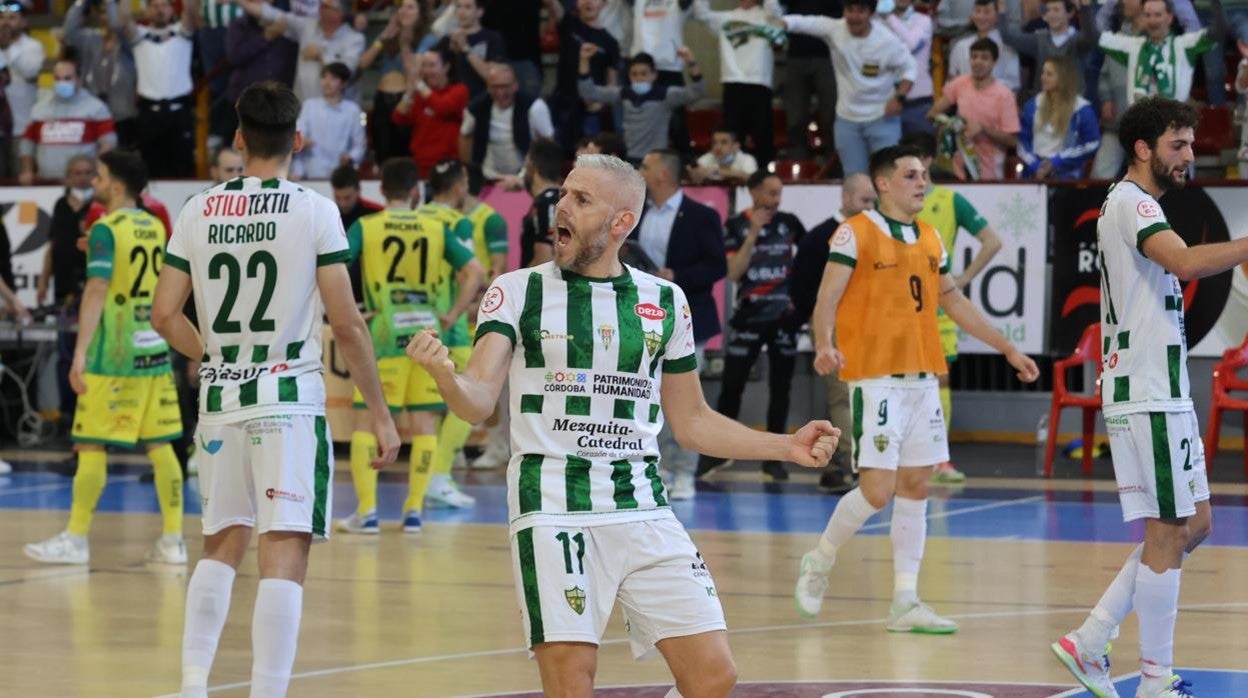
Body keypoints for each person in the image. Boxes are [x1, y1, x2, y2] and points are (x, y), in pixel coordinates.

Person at [406, 152, 839, 697]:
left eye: (580, 199)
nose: (561, 207)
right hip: (552, 507)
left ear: (621, 224)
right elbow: (477, 402)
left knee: (713, 675)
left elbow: (694, 422)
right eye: (564, 193)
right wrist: (447, 376)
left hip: (642, 506)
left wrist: (786, 445)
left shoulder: (664, 301)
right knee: (572, 686)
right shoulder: (517, 291)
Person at [152, 81, 400, 698]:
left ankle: (191, 684)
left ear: (238, 138)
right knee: (283, 550)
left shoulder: (197, 209)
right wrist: (379, 413)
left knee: (220, 542)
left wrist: (212, 353)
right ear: (297, 140)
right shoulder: (315, 210)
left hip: (221, 399)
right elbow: (346, 322)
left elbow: (163, 316)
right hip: (287, 398)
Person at [795, 144, 1038, 631]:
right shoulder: (854, 232)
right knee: (877, 490)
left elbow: (954, 302)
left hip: (923, 378)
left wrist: (1006, 348)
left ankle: (905, 601)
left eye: (925, 174)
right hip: (876, 378)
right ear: (883, 183)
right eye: (911, 175)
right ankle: (819, 559)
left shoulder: (930, 237)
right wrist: (824, 342)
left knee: (916, 486)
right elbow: (827, 298)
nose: (922, 182)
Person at [1051, 96, 1224, 698]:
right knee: (1167, 531)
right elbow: (1184, 262)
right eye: (1179, 145)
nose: (1190, 156)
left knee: (1194, 523)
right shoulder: (1131, 202)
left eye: (1192, 144)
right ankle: (1154, 680)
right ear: (1144, 149)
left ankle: (1091, 637)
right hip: (1145, 392)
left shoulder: (1138, 203)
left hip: (1162, 389)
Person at [23, 150, 185, 567]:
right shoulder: (153, 225)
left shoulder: (104, 227)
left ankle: (76, 538)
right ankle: (173, 541)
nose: (93, 181)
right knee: (161, 444)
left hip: (113, 355)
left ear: (116, 185)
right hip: (154, 351)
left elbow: (97, 289)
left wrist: (79, 354)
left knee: (90, 442)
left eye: (100, 176)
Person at [337, 158, 484, 534]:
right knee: (424, 426)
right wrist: (452, 313)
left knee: (366, 425)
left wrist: (349, 309)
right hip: (427, 337)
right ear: (415, 191)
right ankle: (414, 512)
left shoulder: (366, 226)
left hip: (384, 335)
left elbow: (334, 266)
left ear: (382, 190)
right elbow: (475, 272)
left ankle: (367, 512)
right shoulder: (435, 228)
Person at [902, 131, 1003, 483]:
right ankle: (905, 457)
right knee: (901, 380)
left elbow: (993, 241)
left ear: (928, 161)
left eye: (914, 159)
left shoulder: (949, 200)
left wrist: (961, 280)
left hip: (938, 307)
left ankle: (938, 459)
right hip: (899, 308)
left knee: (939, 381)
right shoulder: (891, 203)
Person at [633, 148, 727, 493]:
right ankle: (658, 469)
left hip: (689, 319)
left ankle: (685, 469)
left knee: (685, 401)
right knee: (648, 397)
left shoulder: (701, 215)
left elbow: (717, 266)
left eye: (645, 165)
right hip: (642, 319)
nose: (639, 170)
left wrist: (678, 275)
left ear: (663, 175)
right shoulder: (636, 213)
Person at [711, 171, 806, 485]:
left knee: (781, 390)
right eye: (769, 193)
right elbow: (734, 273)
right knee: (732, 387)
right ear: (753, 193)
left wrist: (800, 305)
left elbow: (807, 265)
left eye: (779, 193)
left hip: (783, 321)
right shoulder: (735, 226)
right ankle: (717, 453)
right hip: (749, 318)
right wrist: (752, 234)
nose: (775, 200)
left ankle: (775, 460)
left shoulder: (790, 223)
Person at [789, 172, 875, 494]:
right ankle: (853, 465)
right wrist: (822, 327)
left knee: (863, 394)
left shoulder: (872, 234)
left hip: (868, 324)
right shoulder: (821, 237)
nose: (869, 207)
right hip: (835, 324)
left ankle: (856, 463)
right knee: (843, 394)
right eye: (864, 200)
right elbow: (803, 289)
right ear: (845, 197)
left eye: (872, 201)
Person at [779, 0, 917, 176]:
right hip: (847, 120)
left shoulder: (887, 41)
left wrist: (900, 98)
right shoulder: (835, 29)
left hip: (882, 119)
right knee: (853, 180)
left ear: (871, 13)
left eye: (860, 11)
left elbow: (910, 68)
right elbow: (804, 22)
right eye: (849, 10)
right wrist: (781, 23)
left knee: (888, 178)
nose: (854, 17)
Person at [692, 0, 785, 167]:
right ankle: (732, 177)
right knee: (733, 135)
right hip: (733, 82)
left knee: (763, 136)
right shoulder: (726, 17)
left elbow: (776, 15)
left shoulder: (769, 16)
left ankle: (763, 176)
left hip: (760, 83)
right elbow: (701, 13)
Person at [578, 47, 705, 163]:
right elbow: (589, 92)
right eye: (634, 74)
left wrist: (691, 61)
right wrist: (584, 59)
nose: (639, 78)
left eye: (644, 74)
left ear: (654, 75)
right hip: (629, 160)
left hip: (656, 160)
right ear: (629, 76)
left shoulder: (666, 95)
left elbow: (697, 91)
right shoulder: (624, 94)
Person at [121, 0, 199, 178]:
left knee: (184, 168)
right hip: (149, 113)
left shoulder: (182, 32)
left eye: (164, 5)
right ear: (146, 10)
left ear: (172, 9)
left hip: (180, 111)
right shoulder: (139, 35)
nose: (159, 10)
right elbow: (124, 19)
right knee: (150, 169)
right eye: (155, 6)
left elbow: (192, 11)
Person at [925, 38, 1020, 180]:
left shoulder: (1004, 95)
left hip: (989, 170)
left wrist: (983, 129)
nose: (978, 62)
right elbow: (932, 114)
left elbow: (1012, 140)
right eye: (974, 57)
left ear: (994, 63)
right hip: (957, 165)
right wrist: (952, 124)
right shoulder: (960, 83)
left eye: (984, 58)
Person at [236, 0, 366, 102]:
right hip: (303, 107)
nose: (320, 9)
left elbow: (347, 71)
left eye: (326, 6)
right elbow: (272, 14)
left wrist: (321, 55)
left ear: (340, 13)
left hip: (336, 111)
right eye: (321, 5)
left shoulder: (354, 39)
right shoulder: (307, 26)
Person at [18, 50, 115, 185]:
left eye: (67, 78)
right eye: (57, 79)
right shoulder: (39, 109)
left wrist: (97, 170)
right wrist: (27, 170)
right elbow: (27, 143)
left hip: (83, 184)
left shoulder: (96, 108)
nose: (62, 82)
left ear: (78, 79)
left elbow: (108, 143)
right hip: (45, 182)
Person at [360, 0, 435, 163]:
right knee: (382, 154)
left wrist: (405, 44)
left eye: (410, 7)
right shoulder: (390, 35)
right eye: (401, 7)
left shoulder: (428, 39)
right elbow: (363, 64)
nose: (404, 11)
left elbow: (413, 73)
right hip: (382, 100)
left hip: (407, 101)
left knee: (404, 155)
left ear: (420, 14)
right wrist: (383, 36)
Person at [544, 0, 621, 154]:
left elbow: (612, 85)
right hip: (563, 105)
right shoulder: (568, 23)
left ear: (604, 3)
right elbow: (552, 3)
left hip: (590, 110)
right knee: (558, 154)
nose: (589, 2)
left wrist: (601, 104)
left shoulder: (611, 43)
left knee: (589, 159)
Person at [459, 62, 554, 183]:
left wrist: (539, 176)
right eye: (495, 87)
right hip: (489, 177)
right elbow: (465, 135)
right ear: (487, 87)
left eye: (505, 86)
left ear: (515, 85)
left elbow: (548, 142)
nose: (500, 93)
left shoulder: (535, 107)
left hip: (526, 177)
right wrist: (470, 172)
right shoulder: (475, 109)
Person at [63, 0, 140, 149]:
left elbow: (116, 26)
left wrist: (110, 2)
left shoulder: (130, 41)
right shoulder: (91, 39)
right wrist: (82, 2)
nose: (109, 16)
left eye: (111, 11)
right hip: (92, 114)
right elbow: (69, 31)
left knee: (119, 167)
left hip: (122, 117)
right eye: (104, 12)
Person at [1018, 56, 1101, 179]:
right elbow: (1022, 142)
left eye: (1049, 74)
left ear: (1062, 79)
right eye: (1043, 73)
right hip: (1034, 174)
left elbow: (1092, 143)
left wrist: (1057, 162)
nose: (1043, 77)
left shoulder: (1081, 109)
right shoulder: (1032, 106)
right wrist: (1036, 165)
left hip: (1067, 177)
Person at [392, 47, 469, 177]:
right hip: (420, 165)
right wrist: (410, 90)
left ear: (446, 67)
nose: (426, 71)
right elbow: (398, 118)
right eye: (424, 66)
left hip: (448, 166)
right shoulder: (420, 93)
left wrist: (418, 83)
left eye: (432, 65)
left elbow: (442, 107)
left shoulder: (459, 90)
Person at [998, 0, 1098, 98]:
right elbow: (1008, 37)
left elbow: (1092, 37)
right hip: (1043, 102)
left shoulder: (1077, 40)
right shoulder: (1039, 39)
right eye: (1048, 10)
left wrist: (1085, 7)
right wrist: (1001, 8)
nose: (1051, 14)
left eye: (1056, 10)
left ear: (1069, 13)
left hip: (1071, 103)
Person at [779, 0, 837, 161]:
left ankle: (833, 165)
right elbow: (779, 10)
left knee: (831, 115)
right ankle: (798, 164)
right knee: (795, 116)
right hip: (796, 54)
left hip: (828, 55)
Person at [291, 62, 366, 179]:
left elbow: (360, 145)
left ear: (344, 83)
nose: (327, 83)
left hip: (339, 174)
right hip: (309, 173)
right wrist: (301, 142)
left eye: (333, 78)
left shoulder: (352, 110)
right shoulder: (309, 105)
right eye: (324, 77)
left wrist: (350, 157)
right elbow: (298, 135)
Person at [0, 1, 45, 175]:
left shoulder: (32, 46)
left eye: (12, 18)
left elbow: (30, 71)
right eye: (2, 17)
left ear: (24, 22)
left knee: (22, 177)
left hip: (22, 128)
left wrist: (6, 47)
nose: (5, 22)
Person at [882, 0, 935, 136]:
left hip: (918, 102)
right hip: (885, 102)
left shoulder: (924, 20)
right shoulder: (876, 22)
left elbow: (911, 44)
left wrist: (888, 16)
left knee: (921, 154)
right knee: (889, 155)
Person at [435, 0, 506, 100]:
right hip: (454, 102)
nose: (462, 12)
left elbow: (492, 76)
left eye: (467, 7)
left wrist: (465, 48)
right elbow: (433, 74)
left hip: (482, 100)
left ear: (479, 12)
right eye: (459, 7)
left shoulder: (492, 38)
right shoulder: (447, 40)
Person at [946, 0, 1021, 92]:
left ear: (997, 16)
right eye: (977, 11)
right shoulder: (960, 46)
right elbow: (951, 80)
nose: (981, 16)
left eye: (987, 12)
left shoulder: (1007, 47)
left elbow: (1013, 84)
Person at [519, 138, 563, 268]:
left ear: (531, 165)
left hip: (540, 285)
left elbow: (544, 260)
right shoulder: (556, 199)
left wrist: (518, 283)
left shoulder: (546, 204)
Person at [687, 125, 759, 185]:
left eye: (724, 142)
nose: (717, 147)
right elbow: (696, 174)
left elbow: (751, 179)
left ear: (736, 146)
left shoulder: (747, 159)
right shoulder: (707, 158)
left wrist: (714, 172)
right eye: (714, 142)